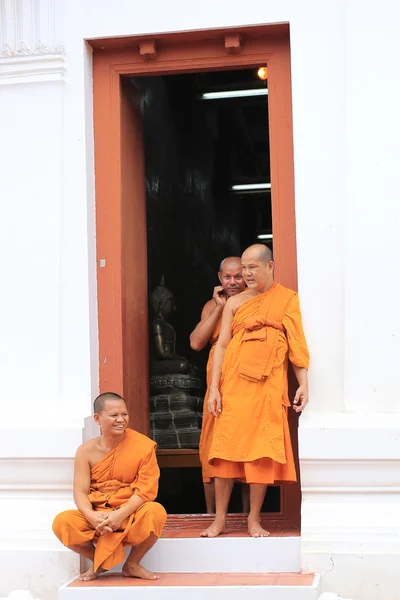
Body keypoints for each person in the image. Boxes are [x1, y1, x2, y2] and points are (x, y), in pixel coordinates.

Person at [201, 244, 309, 538]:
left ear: (270, 266)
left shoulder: (287, 300)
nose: (246, 274)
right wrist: (214, 389)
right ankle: (220, 520)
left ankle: (254, 520)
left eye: (252, 268)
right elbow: (222, 344)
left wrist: (303, 383)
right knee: (225, 451)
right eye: (244, 268)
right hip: (234, 386)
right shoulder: (235, 304)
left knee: (260, 453)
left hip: (268, 387)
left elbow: (296, 343)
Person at [52, 392, 167, 581]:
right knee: (62, 523)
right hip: (97, 514)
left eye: (125, 414)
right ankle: (100, 562)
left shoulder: (142, 446)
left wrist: (119, 515)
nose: (121, 420)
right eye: (114, 415)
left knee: (156, 512)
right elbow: (80, 491)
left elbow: (146, 490)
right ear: (97, 419)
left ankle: (132, 564)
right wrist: (91, 516)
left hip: (129, 512)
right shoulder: (85, 451)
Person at [190, 257, 249, 514]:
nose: (233, 282)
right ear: (219, 277)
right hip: (217, 389)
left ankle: (248, 512)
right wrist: (218, 308)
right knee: (212, 449)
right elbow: (196, 343)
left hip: (245, 388)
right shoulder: (211, 305)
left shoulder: (255, 303)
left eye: (239, 276)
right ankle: (212, 514)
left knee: (246, 449)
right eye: (228, 277)